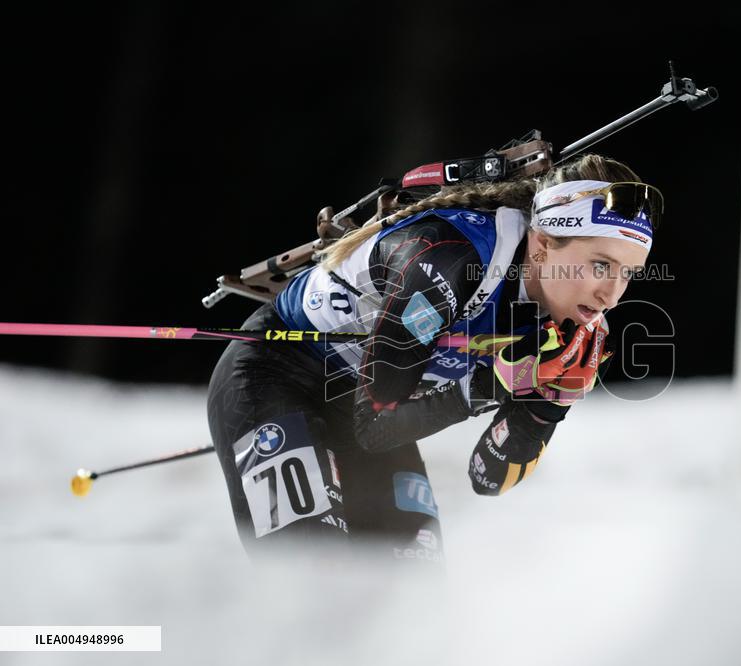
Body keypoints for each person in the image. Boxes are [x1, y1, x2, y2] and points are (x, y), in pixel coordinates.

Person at [206, 154, 662, 567]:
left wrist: (547, 405)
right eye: (601, 265)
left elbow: (489, 476)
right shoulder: (451, 257)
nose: (612, 294)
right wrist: (494, 385)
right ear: (542, 243)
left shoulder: (575, 327)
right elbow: (375, 424)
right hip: (277, 372)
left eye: (628, 273)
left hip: (363, 406)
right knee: (309, 573)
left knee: (409, 599)